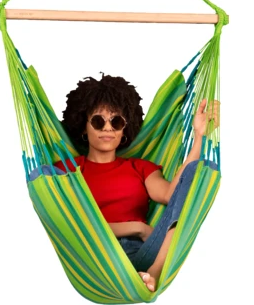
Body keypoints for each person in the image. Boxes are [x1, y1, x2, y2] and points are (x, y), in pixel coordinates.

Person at [53, 74, 219, 292]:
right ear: (84, 126)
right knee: (44, 176)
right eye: (98, 121)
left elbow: (174, 195)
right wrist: (138, 228)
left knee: (196, 172)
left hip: (145, 253)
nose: (108, 128)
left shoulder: (139, 167)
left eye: (116, 121)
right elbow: (72, 223)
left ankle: (154, 272)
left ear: (124, 128)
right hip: (97, 256)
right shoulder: (69, 170)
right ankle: (143, 276)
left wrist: (199, 137)